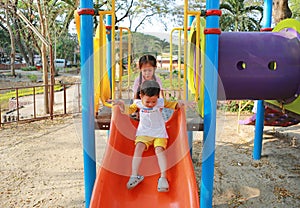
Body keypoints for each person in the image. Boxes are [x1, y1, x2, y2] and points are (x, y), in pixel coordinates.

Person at [112, 80, 194, 192]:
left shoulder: (160, 102)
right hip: (144, 133)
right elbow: (127, 110)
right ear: (141, 96)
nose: (151, 104)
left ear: (157, 97)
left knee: (159, 150)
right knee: (138, 148)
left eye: (153, 101)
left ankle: (163, 178)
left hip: (159, 133)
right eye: (148, 102)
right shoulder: (138, 103)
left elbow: (174, 105)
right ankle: (134, 175)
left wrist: (184, 103)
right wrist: (121, 104)